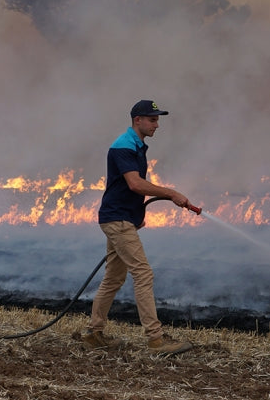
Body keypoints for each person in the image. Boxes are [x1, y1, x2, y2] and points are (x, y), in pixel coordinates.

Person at [82, 99, 195, 355]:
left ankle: (93, 333)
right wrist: (171, 193)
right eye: (152, 120)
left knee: (114, 277)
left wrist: (136, 215)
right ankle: (155, 340)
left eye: (157, 120)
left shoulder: (135, 145)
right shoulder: (124, 146)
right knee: (143, 273)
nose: (157, 125)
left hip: (121, 218)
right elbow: (135, 184)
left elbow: (127, 187)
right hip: (117, 220)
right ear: (137, 120)